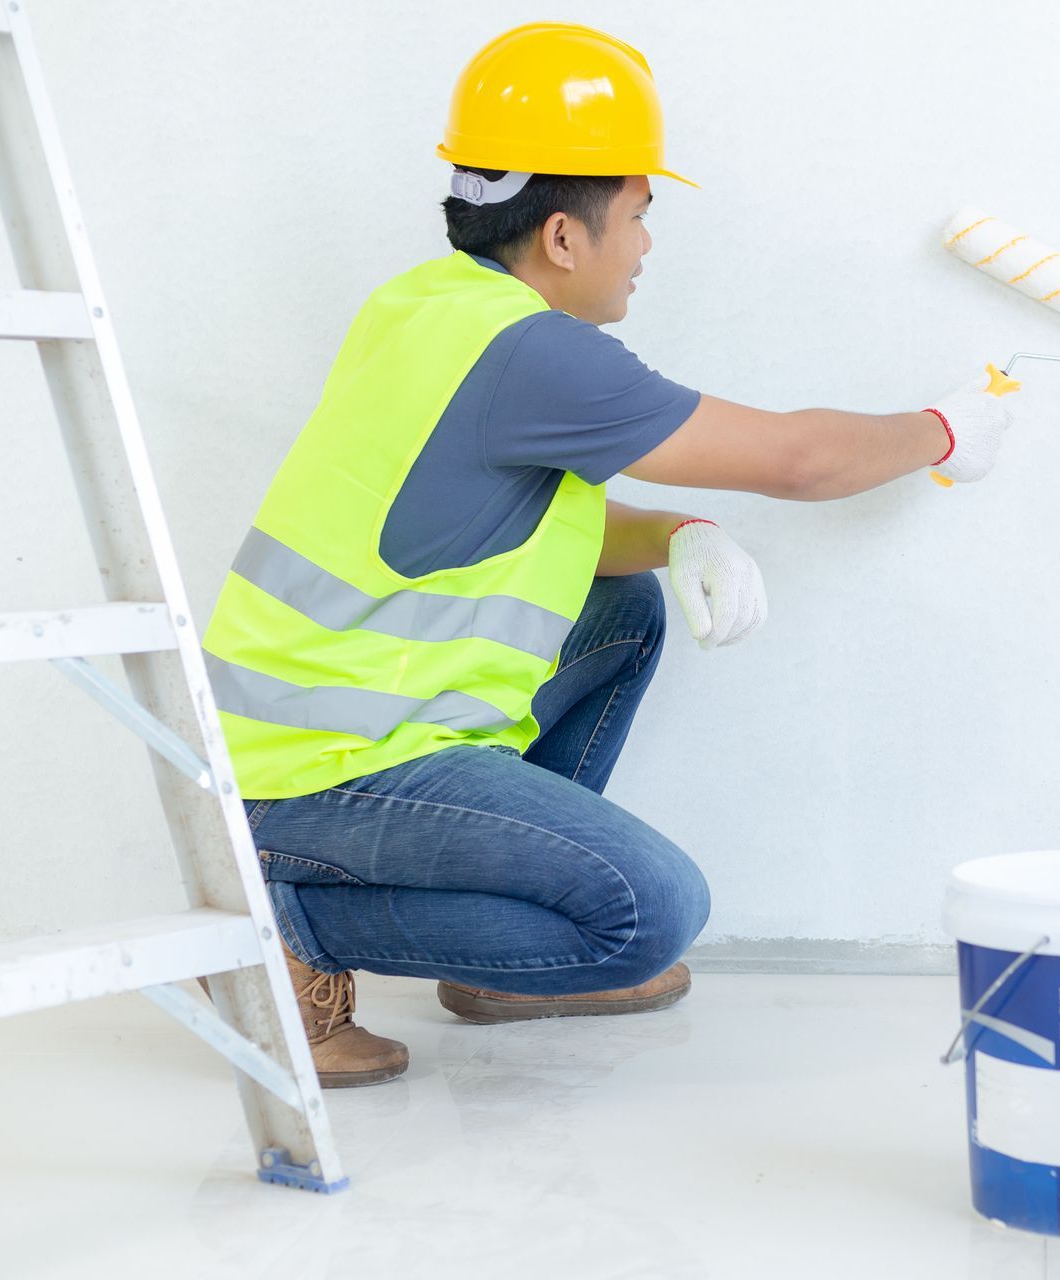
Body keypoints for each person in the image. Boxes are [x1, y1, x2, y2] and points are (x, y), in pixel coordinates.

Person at [201, 22, 1015, 1086]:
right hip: (314, 777)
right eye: (637, 212)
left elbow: (507, 522)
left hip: (310, 737)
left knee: (626, 605)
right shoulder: (539, 354)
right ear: (562, 235)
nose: (644, 241)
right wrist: (948, 431)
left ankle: (501, 964)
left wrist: (681, 533)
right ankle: (281, 920)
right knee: (649, 910)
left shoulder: (426, 306)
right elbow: (801, 459)